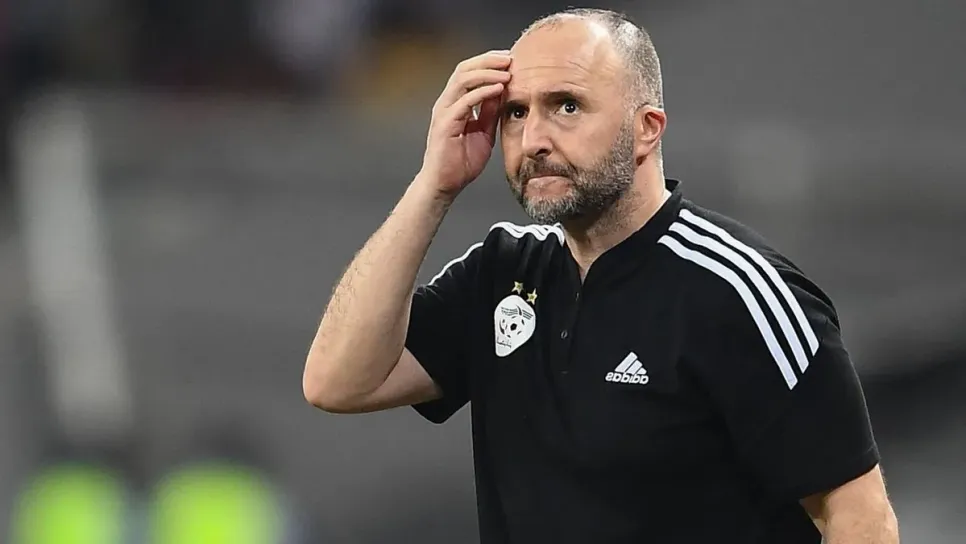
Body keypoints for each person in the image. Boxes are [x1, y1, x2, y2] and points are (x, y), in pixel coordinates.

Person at [302, 8, 899, 543]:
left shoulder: (737, 291)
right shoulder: (501, 273)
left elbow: (860, 520)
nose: (534, 140)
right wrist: (432, 185)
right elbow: (337, 383)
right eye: (515, 112)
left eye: (567, 106)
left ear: (647, 127)